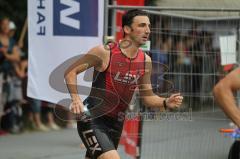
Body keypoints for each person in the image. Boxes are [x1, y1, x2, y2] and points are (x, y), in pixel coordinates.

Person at [64, 9, 183, 159]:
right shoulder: (105, 52)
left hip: (116, 122)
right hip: (92, 117)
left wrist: (166, 102)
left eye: (149, 26)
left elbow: (148, 97)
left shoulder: (145, 61)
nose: (147, 30)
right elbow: (70, 72)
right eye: (141, 25)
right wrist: (75, 99)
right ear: (127, 29)